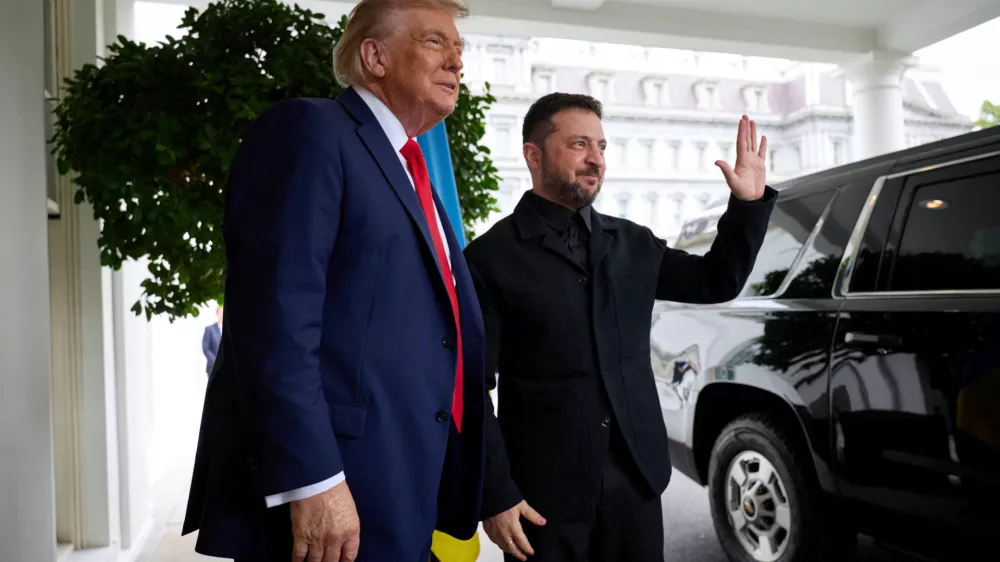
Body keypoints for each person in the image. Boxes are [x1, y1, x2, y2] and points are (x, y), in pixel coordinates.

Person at [182, 1, 486, 560]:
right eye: (435, 43)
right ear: (375, 57)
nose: (457, 63)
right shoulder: (311, 130)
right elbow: (273, 319)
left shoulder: (412, 170)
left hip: (406, 483)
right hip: (337, 489)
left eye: (459, 48)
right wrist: (314, 480)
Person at [463, 93, 777, 562]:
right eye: (579, 144)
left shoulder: (632, 241)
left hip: (637, 481)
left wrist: (746, 204)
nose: (596, 159)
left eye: (602, 146)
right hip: (542, 496)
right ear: (533, 155)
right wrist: (496, 492)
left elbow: (717, 280)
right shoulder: (488, 258)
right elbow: (470, 386)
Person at [201, 305, 223, 376]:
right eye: (221, 312)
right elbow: (206, 349)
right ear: (217, 313)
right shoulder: (210, 329)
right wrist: (217, 361)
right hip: (213, 367)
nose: (222, 314)